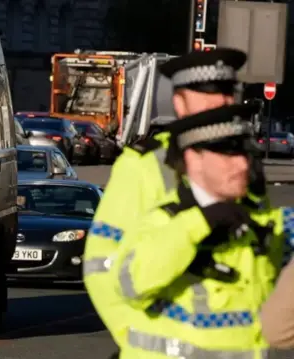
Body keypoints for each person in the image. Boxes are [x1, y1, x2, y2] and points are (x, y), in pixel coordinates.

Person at [82, 48, 269, 347]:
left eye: (226, 91)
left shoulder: (244, 165)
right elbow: (101, 266)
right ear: (179, 103)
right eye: (205, 93)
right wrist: (134, 337)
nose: (219, 101)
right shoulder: (144, 164)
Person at [109, 103, 288, 358]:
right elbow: (130, 284)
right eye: (229, 156)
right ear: (195, 160)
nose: (242, 166)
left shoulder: (256, 223)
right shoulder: (162, 222)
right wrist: (199, 223)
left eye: (247, 156)